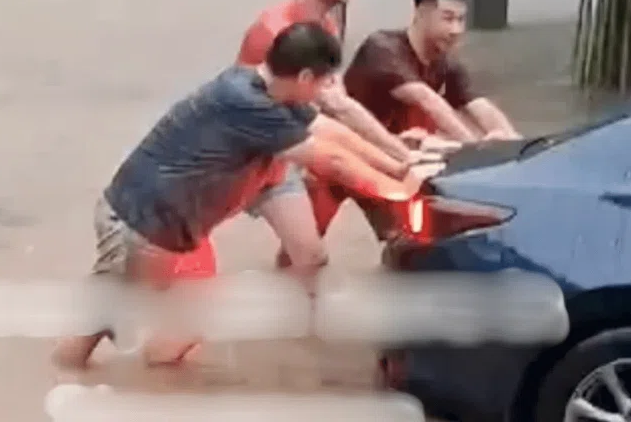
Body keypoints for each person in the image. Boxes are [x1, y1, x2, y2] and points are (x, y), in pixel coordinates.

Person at [51, 22, 437, 371]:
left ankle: (159, 388)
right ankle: (66, 384)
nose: (325, 95)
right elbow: (331, 160)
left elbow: (332, 133)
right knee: (98, 326)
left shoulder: (263, 89)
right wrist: (396, 192)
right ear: (304, 76)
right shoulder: (248, 103)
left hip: (171, 227)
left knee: (194, 317)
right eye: (323, 84)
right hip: (139, 225)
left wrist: (397, 166)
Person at [237, 0, 428, 267]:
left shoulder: (326, 25)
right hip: (251, 157)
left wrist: (397, 154)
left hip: (292, 144)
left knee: (309, 254)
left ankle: (396, 237)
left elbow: (338, 105)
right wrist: (397, 161)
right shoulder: (274, 31)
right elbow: (265, 118)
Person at [307, 0, 523, 242]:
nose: (456, 29)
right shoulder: (383, 48)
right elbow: (426, 99)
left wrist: (515, 152)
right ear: (421, 14)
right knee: (305, 245)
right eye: (447, 18)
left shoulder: (446, 63)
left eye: (461, 20)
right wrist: (476, 151)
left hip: (391, 162)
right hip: (341, 157)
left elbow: (479, 105)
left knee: (405, 240)